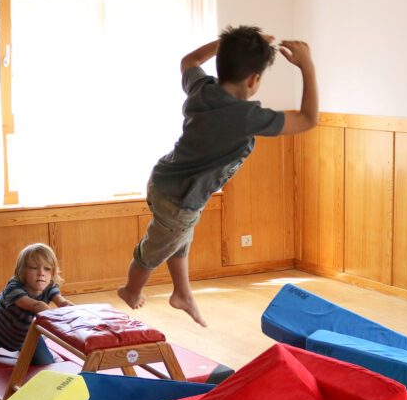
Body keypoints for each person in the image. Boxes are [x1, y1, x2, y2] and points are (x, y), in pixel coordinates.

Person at [118, 25, 318, 327]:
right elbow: (307, 120)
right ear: (254, 79)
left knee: (179, 239)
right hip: (180, 198)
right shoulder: (246, 116)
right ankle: (131, 290)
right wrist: (307, 66)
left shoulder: (202, 89)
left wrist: (225, 44)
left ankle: (182, 294)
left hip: (165, 180)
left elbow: (189, 61)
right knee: (154, 250)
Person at [0, 243, 74, 365]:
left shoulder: (49, 286)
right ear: (22, 271)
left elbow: (63, 303)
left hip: (24, 336)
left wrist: (80, 313)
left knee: (45, 363)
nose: (41, 273)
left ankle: (27, 343)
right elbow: (36, 305)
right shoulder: (14, 287)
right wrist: (55, 320)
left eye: (47, 268)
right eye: (34, 267)